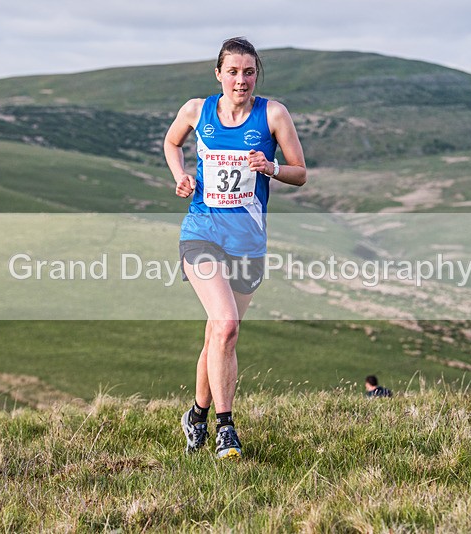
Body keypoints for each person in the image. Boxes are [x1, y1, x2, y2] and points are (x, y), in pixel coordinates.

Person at [164, 37, 307, 459]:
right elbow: (173, 143)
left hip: (248, 241)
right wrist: (182, 175)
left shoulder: (273, 114)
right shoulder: (196, 110)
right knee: (225, 325)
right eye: (233, 72)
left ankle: (197, 414)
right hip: (202, 231)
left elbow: (301, 173)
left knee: (218, 337)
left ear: (256, 75)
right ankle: (226, 428)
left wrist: (272, 167)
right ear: (218, 74)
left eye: (248, 72)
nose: (240, 80)